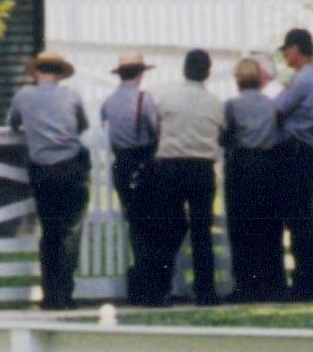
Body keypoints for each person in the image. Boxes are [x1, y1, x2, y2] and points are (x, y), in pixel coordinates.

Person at [6, 50, 91, 310]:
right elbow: (82, 125)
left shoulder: (23, 96)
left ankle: (49, 295)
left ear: (37, 72)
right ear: (59, 73)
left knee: (50, 232)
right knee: (70, 232)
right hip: (71, 166)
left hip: (42, 170)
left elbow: (12, 124)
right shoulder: (72, 96)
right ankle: (65, 294)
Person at [145, 48, 227, 305]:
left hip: (169, 166)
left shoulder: (168, 100)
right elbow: (222, 134)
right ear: (207, 72)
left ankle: (161, 290)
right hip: (201, 167)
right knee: (202, 231)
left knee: (167, 230)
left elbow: (157, 129)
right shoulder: (215, 104)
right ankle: (205, 290)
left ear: (184, 70)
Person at [269, 27, 313, 301]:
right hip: (303, 152)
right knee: (301, 217)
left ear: (297, 49)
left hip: (296, 151)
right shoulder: (308, 78)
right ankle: (307, 281)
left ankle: (306, 283)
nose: (284, 54)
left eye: (286, 49)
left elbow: (277, 108)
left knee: (300, 218)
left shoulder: (303, 80)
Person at [100, 51, 165, 303]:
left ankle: (139, 279)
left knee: (135, 223)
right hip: (144, 163)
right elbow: (155, 130)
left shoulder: (108, 103)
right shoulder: (144, 99)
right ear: (139, 74)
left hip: (122, 165)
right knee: (152, 224)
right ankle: (150, 283)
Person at [220, 55, 284, 301]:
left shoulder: (232, 106)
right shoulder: (273, 105)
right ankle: (273, 283)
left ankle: (246, 284)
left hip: (242, 166)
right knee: (270, 225)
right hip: (269, 166)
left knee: (242, 226)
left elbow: (225, 137)